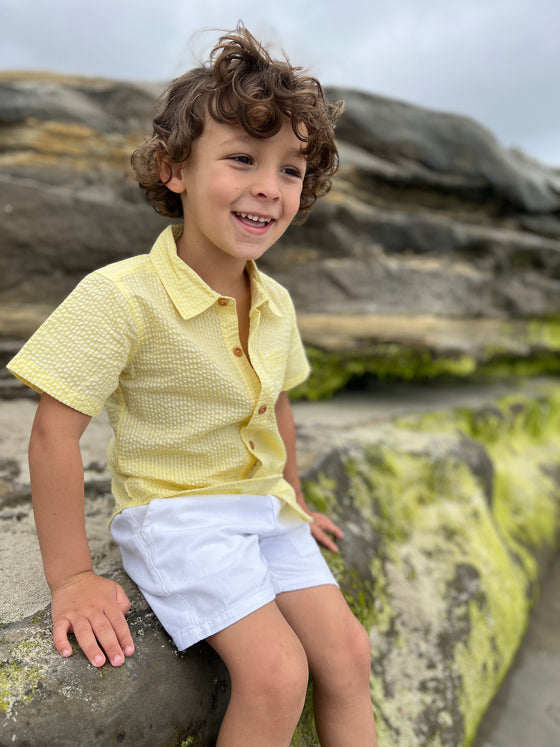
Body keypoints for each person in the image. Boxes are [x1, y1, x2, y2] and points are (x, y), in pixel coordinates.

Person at [8, 24, 377, 746]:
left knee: (349, 653)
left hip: (263, 508)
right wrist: (73, 576)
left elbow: (277, 403)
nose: (268, 188)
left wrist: (293, 494)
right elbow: (54, 429)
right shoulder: (122, 295)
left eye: (290, 171)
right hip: (177, 515)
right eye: (242, 159)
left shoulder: (274, 300)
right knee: (276, 673)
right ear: (175, 168)